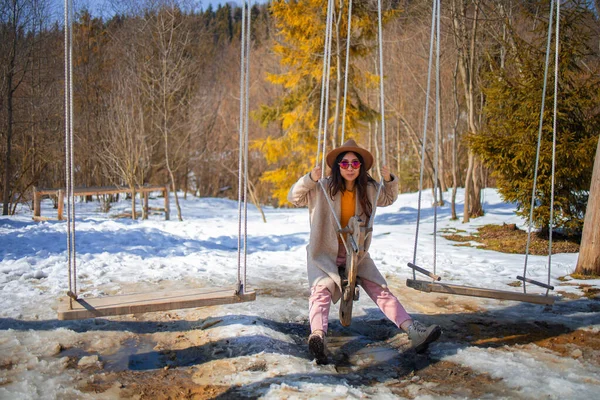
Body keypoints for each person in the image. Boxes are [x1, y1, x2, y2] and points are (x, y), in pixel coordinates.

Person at [288, 139, 441, 364]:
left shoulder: (368, 188)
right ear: (338, 166)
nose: (350, 167)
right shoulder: (322, 187)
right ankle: (318, 336)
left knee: (380, 289)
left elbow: (388, 198)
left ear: (361, 167)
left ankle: (413, 330)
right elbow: (294, 197)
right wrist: (310, 179)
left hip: (356, 252)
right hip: (324, 252)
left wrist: (389, 180)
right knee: (321, 290)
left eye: (355, 163)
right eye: (345, 163)